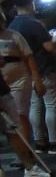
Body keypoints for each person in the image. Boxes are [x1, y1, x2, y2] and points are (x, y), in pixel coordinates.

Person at [5, 0, 56, 154]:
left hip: (26, 72)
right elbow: (49, 47)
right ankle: (55, 141)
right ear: (31, 4)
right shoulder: (34, 24)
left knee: (34, 107)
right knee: (52, 106)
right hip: (45, 68)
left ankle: (40, 141)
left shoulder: (12, 26)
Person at [0, 14, 44, 153]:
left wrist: (37, 79)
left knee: (19, 115)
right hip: (2, 82)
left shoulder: (14, 36)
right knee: (8, 121)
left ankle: (26, 152)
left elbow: (29, 57)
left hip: (19, 80)